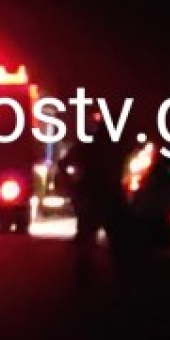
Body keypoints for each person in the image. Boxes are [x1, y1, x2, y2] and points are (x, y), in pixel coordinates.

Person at [68, 114, 129, 286]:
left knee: (88, 238)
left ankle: (84, 277)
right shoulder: (115, 145)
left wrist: (73, 186)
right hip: (107, 195)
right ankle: (120, 278)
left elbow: (66, 162)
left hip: (93, 194)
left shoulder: (90, 144)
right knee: (116, 240)